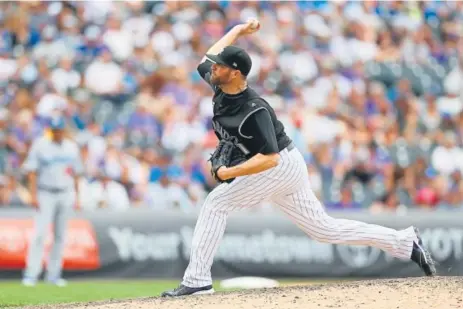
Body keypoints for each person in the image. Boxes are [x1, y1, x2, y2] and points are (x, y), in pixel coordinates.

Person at [161, 19, 436, 297]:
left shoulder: (254, 110)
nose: (213, 67)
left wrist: (228, 174)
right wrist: (238, 31)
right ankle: (404, 241)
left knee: (216, 203)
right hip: (288, 165)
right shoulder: (221, 85)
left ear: (235, 73)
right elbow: (205, 58)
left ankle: (197, 280)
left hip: (278, 166)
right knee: (324, 230)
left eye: (219, 65)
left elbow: (269, 159)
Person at [21, 115, 83, 287]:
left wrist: (78, 197)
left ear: (63, 130)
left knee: (60, 235)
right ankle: (31, 274)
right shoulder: (40, 145)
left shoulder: (71, 147)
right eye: (54, 130)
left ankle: (53, 275)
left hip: (65, 192)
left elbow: (76, 173)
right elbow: (32, 171)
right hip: (45, 192)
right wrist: (33, 195)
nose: (57, 133)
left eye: (59, 130)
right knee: (40, 234)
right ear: (51, 130)